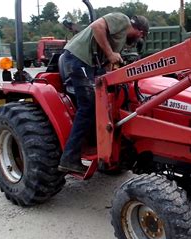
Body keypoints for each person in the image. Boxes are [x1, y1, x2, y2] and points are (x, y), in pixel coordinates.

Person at [58, 13, 149, 173]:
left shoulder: (119, 41)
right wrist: (110, 54)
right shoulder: (122, 19)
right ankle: (69, 158)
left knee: (110, 100)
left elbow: (108, 65)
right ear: (140, 32)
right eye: (140, 37)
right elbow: (96, 26)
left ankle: (104, 147)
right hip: (78, 59)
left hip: (90, 64)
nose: (136, 42)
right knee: (89, 106)